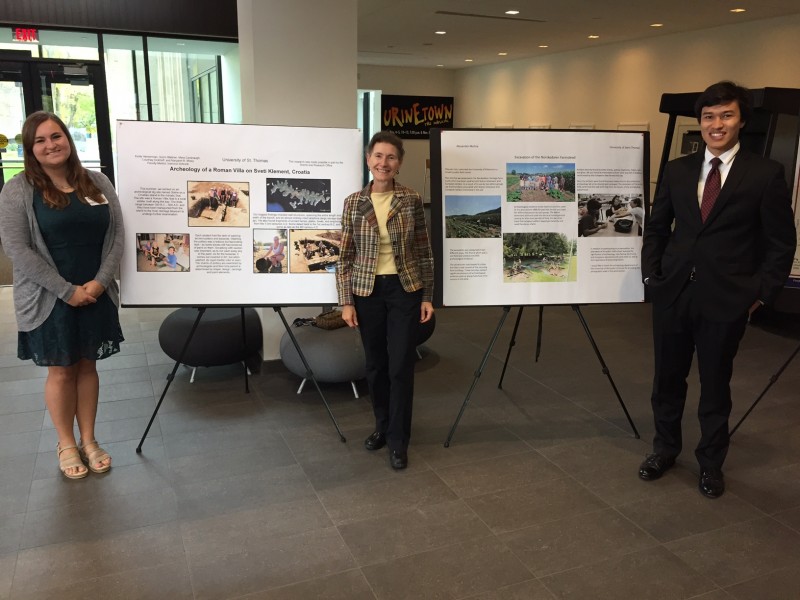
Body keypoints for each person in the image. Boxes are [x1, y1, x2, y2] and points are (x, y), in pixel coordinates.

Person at [639, 81, 796, 498]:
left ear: (741, 120)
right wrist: (652, 277)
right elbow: (657, 229)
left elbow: (781, 243)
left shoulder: (764, 174)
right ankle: (665, 449)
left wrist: (760, 293)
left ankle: (710, 463)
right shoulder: (677, 169)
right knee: (666, 380)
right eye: (709, 116)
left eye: (726, 115)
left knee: (715, 385)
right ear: (700, 122)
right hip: (672, 294)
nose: (716, 124)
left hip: (726, 299)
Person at [0, 111, 124, 479]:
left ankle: (89, 439)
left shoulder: (96, 181)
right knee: (61, 371)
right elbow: (17, 249)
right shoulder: (18, 189)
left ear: (67, 140)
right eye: (40, 140)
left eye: (56, 136)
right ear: (30, 149)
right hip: (49, 297)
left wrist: (101, 282)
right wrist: (66, 291)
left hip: (95, 293)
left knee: (88, 366)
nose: (50, 145)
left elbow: (117, 234)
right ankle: (65, 442)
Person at [336, 131, 434, 470]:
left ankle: (398, 439)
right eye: (378, 156)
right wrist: (345, 302)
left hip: (404, 289)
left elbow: (423, 250)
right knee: (375, 364)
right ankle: (381, 426)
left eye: (391, 157)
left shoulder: (410, 199)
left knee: (401, 365)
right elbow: (345, 255)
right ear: (368, 160)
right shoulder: (353, 202)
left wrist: (428, 296)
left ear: (399, 162)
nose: (384, 163)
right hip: (367, 292)